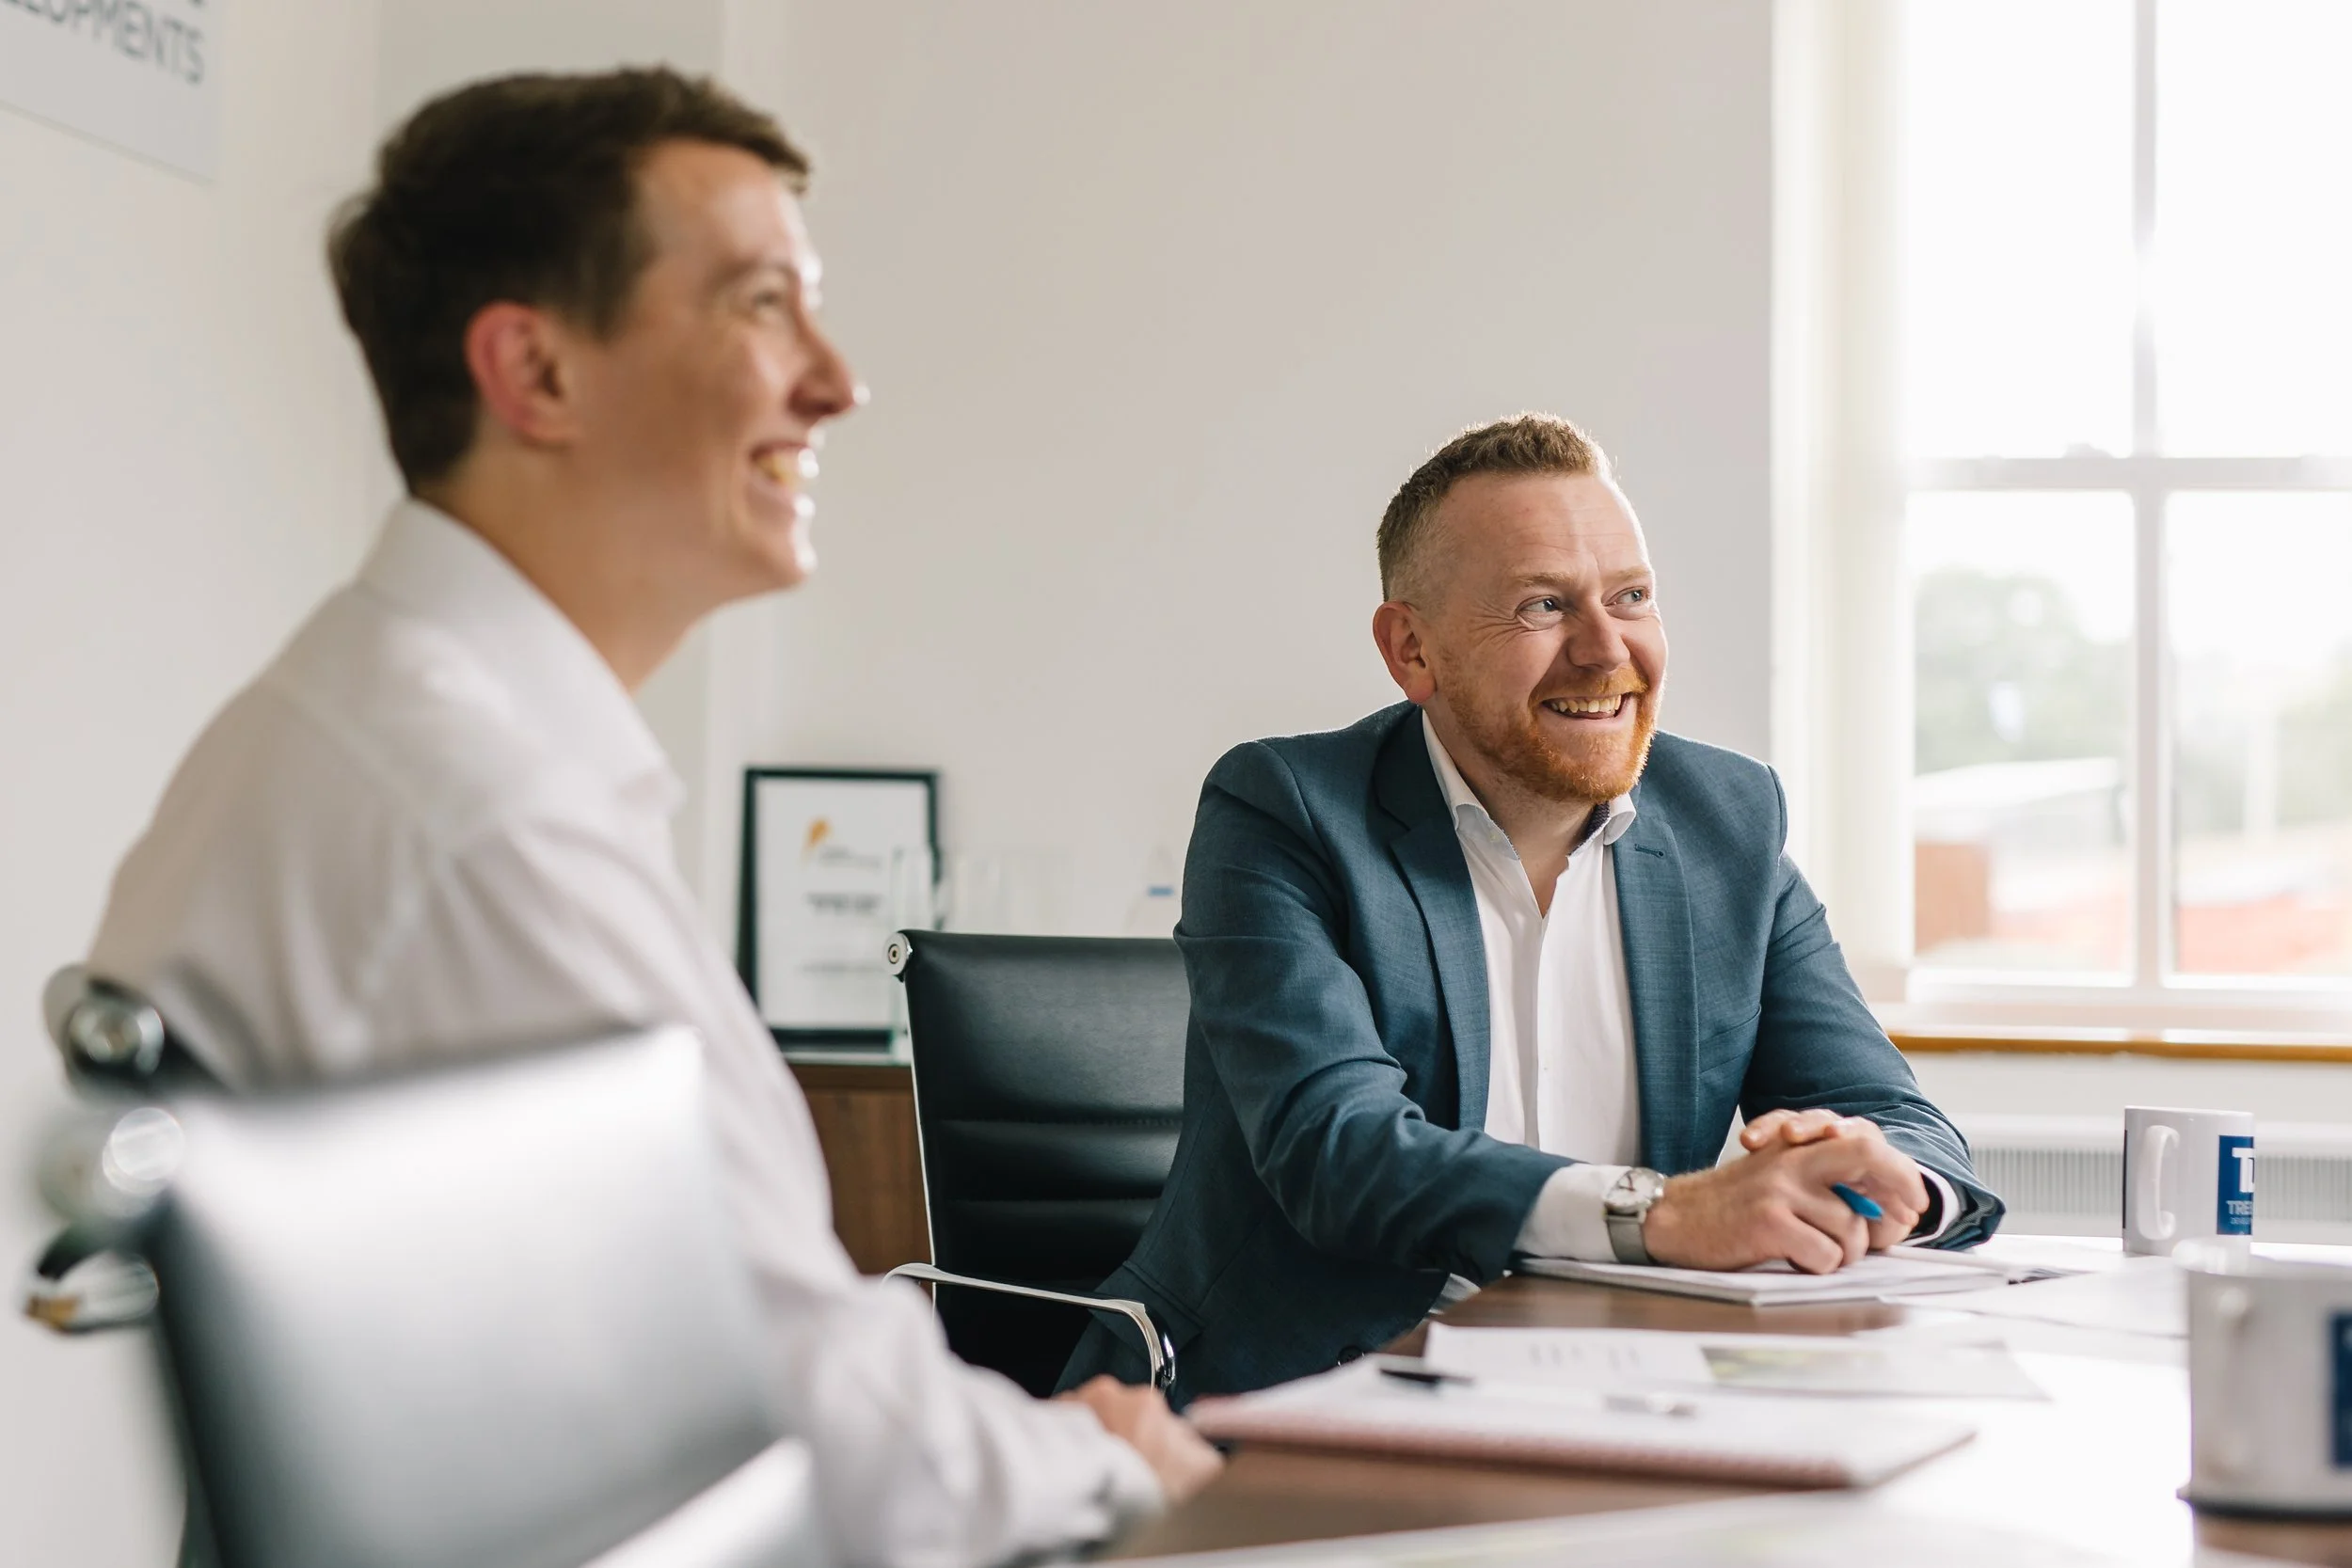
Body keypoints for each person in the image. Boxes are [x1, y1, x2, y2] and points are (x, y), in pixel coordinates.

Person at [87, 68, 1217, 1567]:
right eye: (763, 305)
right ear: (536, 373)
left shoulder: (402, 733)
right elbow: (794, 1420)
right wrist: (1093, 1451)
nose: (837, 380)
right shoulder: (470, 815)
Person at [1061, 414, 2002, 1406]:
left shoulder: (1726, 822)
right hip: (1286, 1407)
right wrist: (1666, 1214)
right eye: (1541, 605)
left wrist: (1887, 1181)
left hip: (1616, 1395)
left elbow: (1896, 1117)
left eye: (1631, 596)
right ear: (1412, 649)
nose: (1605, 651)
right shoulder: (1284, 810)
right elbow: (1338, 1152)